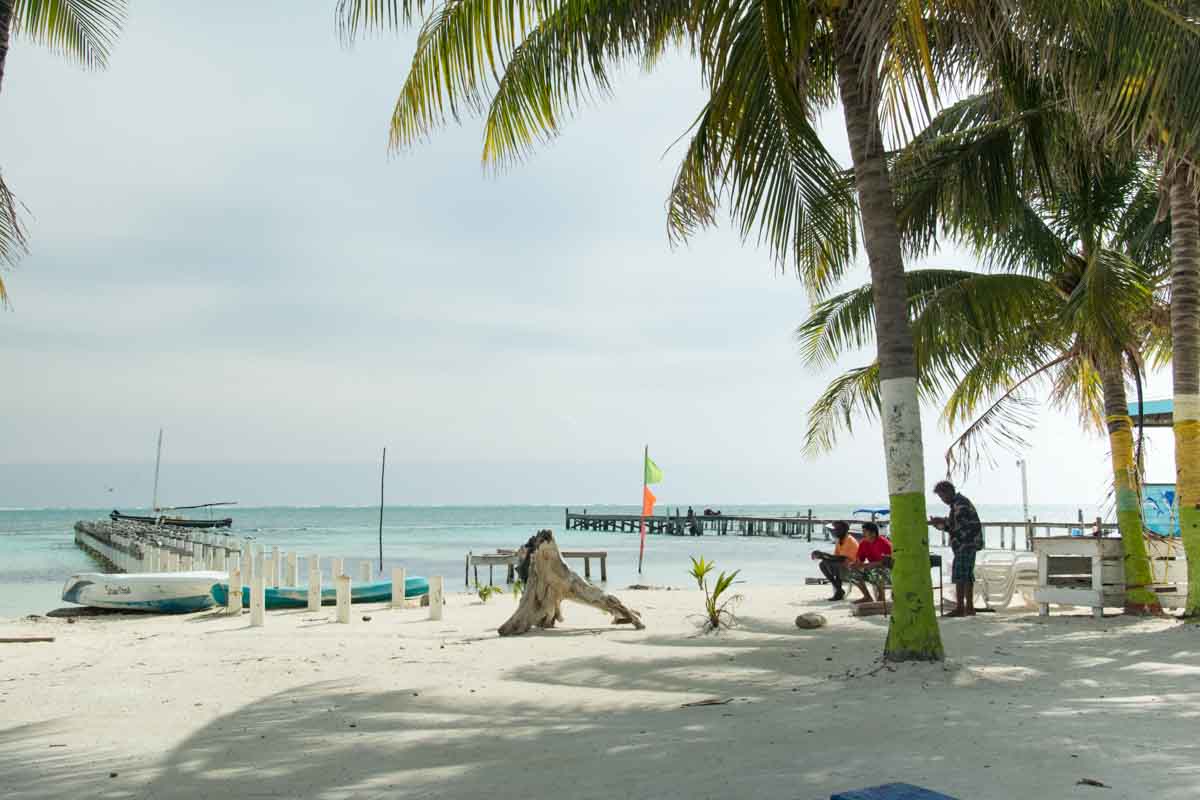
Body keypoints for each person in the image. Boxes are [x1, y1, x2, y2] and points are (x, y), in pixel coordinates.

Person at [930, 479, 983, 617]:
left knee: (960, 576)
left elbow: (958, 528)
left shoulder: (960, 505)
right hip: (967, 544)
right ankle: (969, 608)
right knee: (967, 576)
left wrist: (942, 523)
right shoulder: (958, 504)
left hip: (965, 544)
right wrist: (942, 524)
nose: (942, 500)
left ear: (948, 492)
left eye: (942, 496)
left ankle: (961, 608)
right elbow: (955, 526)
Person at [810, 521, 858, 600]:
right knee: (823, 564)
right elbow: (836, 557)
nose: (836, 531)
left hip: (853, 569)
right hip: (844, 567)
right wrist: (822, 556)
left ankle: (839, 591)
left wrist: (823, 555)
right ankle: (838, 589)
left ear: (845, 530)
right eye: (835, 529)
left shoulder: (849, 541)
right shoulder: (840, 541)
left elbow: (841, 558)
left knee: (835, 564)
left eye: (838, 529)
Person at [846, 522, 892, 603]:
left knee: (876, 571)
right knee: (853, 573)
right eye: (863, 531)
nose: (863, 534)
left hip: (887, 571)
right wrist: (854, 565)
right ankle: (867, 596)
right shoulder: (863, 543)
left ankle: (881, 598)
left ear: (873, 533)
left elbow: (885, 562)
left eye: (865, 532)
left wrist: (866, 565)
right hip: (872, 569)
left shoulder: (884, 543)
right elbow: (860, 560)